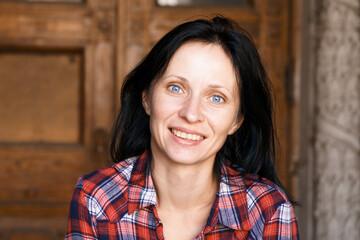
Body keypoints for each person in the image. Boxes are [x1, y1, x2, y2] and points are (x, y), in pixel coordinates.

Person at [66, 16, 299, 239]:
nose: (191, 114)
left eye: (216, 98)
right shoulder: (97, 197)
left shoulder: (269, 210)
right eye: (176, 88)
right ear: (146, 97)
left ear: (237, 121)